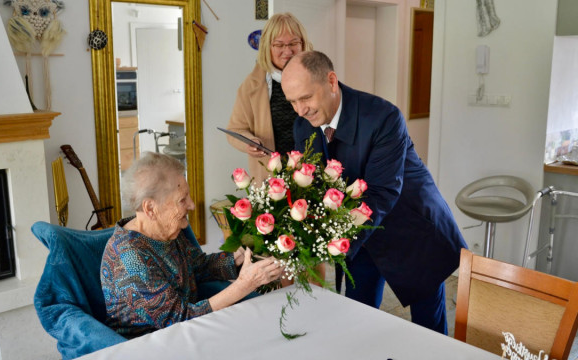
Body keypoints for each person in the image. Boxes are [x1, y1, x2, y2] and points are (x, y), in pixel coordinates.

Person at [281, 51, 468, 334]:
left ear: (331, 82)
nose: (300, 110)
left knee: (428, 328)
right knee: (358, 317)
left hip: (411, 227)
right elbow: (314, 185)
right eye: (292, 102)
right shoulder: (302, 125)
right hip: (362, 237)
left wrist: (335, 239)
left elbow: (382, 192)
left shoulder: (383, 117)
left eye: (305, 98)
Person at [101, 152, 283, 339]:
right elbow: (179, 319)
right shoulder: (130, 258)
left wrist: (237, 260)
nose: (192, 205)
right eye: (182, 199)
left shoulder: (164, 229)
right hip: (151, 346)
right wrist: (245, 284)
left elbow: (198, 266)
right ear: (150, 208)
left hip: (190, 333)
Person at [226, 12, 313, 183]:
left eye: (294, 43)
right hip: (271, 179)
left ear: (303, 44)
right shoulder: (252, 86)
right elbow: (235, 130)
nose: (287, 51)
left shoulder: (317, 78)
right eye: (279, 45)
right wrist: (250, 142)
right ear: (267, 47)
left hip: (312, 173)